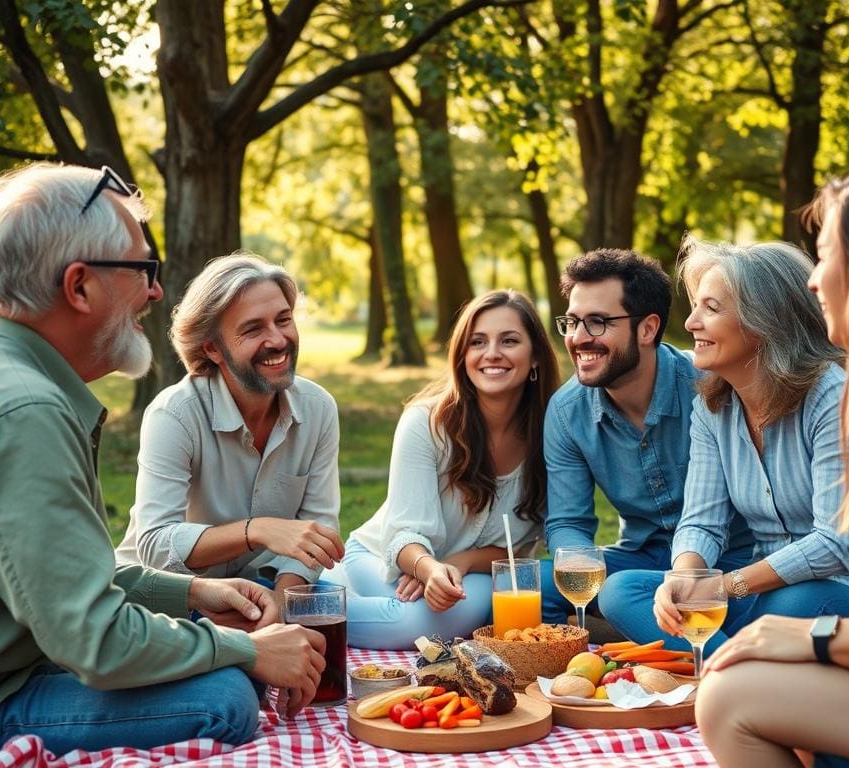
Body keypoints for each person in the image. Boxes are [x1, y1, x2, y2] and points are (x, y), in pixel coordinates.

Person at [0, 163, 326, 764]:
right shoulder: (23, 411)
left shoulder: (0, 377)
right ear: (79, 287)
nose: (156, 293)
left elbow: (65, 582)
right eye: (141, 270)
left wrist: (192, 592)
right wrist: (241, 648)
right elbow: (96, 638)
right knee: (227, 697)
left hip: (15, 663)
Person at [696, 162, 849, 768]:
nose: (813, 282)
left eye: (825, 257)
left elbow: (838, 554)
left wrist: (813, 637)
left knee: (732, 695)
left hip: (815, 593)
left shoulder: (845, 397)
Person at [599, 237, 849, 655]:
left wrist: (726, 586)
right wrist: (684, 579)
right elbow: (702, 523)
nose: (690, 324)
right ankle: (725, 669)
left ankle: (722, 666)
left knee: (795, 602)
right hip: (757, 595)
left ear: (764, 323)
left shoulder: (832, 397)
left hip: (838, 592)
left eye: (711, 308)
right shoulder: (713, 407)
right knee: (623, 589)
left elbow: (838, 544)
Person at [542, 249, 754, 626]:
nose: (577, 338)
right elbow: (567, 521)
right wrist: (578, 572)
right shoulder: (566, 411)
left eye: (597, 322)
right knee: (528, 585)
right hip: (641, 556)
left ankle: (641, 628)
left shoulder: (711, 387)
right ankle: (637, 621)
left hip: (728, 559)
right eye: (572, 322)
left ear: (647, 329)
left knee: (620, 594)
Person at [339, 289, 560, 648]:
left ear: (535, 355)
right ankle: (313, 603)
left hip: (469, 570)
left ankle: (333, 597)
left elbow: (518, 551)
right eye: (477, 342)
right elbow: (403, 534)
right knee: (412, 623)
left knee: (463, 614)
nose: (492, 354)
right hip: (383, 557)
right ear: (462, 354)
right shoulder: (425, 423)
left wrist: (461, 561)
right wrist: (427, 567)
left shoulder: (552, 436)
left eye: (509, 340)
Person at [115, 253, 344, 599]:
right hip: (168, 599)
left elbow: (318, 529)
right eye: (253, 329)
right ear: (212, 349)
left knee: (343, 615)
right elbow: (156, 545)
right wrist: (259, 531)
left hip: (267, 590)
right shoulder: (175, 414)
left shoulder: (319, 408)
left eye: (283, 320)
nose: (278, 340)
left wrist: (281, 608)